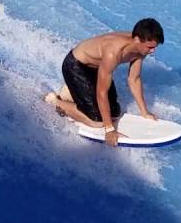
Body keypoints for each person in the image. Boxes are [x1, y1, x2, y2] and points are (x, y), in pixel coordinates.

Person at [44, 19, 165, 147]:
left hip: (97, 69)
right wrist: (109, 130)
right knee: (97, 121)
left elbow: (134, 79)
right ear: (137, 40)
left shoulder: (141, 47)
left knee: (114, 112)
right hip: (75, 66)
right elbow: (102, 92)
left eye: (154, 47)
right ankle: (55, 100)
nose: (152, 51)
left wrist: (144, 112)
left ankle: (72, 91)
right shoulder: (113, 52)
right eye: (150, 47)